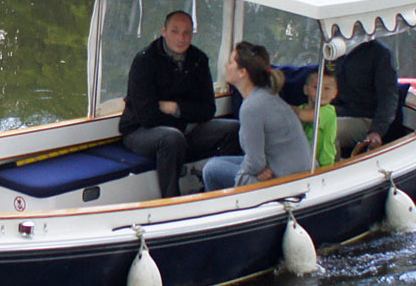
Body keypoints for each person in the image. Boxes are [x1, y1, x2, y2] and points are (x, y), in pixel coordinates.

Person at [119, 10, 240, 197]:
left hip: (186, 128)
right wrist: (186, 118)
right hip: (139, 131)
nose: (181, 38)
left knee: (234, 129)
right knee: (172, 138)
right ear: (164, 31)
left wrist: (176, 108)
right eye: (175, 32)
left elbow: (208, 110)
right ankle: (172, 202)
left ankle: (219, 190)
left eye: (186, 33)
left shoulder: (199, 60)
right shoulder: (145, 61)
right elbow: (147, 116)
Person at [198, 43, 308, 191]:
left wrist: (253, 169)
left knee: (211, 170)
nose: (226, 65)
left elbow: (255, 162)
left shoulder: (252, 107)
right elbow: (257, 162)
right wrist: (257, 168)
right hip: (291, 172)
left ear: (243, 72)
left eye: (230, 62)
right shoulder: (266, 95)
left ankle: (224, 211)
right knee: (217, 162)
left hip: (283, 181)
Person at [330, 38, 400, 158]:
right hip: (336, 112)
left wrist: (377, 131)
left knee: (328, 130)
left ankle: (329, 171)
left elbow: (388, 97)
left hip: (365, 119)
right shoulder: (335, 47)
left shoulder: (381, 53)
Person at [295, 67, 339, 169]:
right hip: (306, 159)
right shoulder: (302, 108)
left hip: (325, 163)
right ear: (306, 90)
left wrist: (283, 106)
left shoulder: (328, 111)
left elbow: (304, 116)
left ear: (334, 93)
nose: (321, 92)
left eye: (327, 88)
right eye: (316, 87)